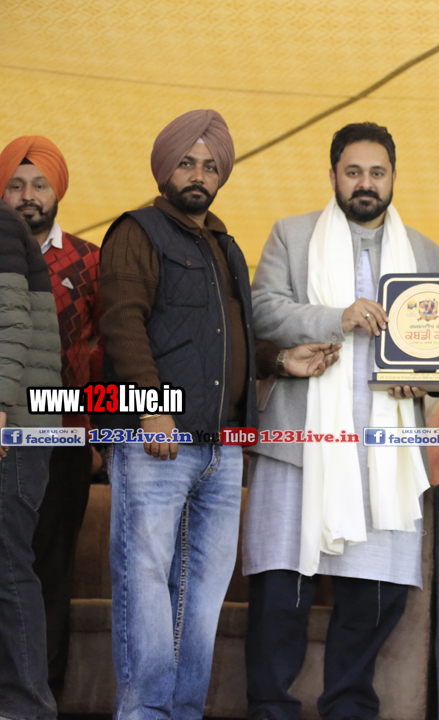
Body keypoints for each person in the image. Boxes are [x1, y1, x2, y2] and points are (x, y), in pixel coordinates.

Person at [98, 109, 332, 719]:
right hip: (157, 438)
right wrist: (149, 408)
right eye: (186, 163)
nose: (198, 175)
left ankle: (181, 713)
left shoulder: (225, 245)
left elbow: (227, 338)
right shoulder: (137, 231)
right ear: (165, 170)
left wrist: (280, 360)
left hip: (222, 447)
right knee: (146, 583)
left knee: (200, 597)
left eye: (209, 165)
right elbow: (122, 323)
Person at [245, 122, 439, 720]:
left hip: (386, 452)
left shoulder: (427, 254)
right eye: (353, 171)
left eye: (376, 172)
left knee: (374, 597)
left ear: (393, 177)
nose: (365, 183)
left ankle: (349, 709)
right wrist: (338, 316)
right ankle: (270, 710)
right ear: (333, 174)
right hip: (300, 446)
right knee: (282, 590)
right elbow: (262, 311)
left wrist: (424, 380)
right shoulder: (292, 234)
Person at [1, 135, 102, 701]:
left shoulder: (89, 259)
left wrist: (100, 439)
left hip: (66, 438)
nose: (28, 196)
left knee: (49, 568)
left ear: (57, 189)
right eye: (16, 185)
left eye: (39, 184)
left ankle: (45, 696)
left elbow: (105, 352)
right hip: (6, 432)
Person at [0, 202, 62, 720]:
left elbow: (12, 321)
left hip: (13, 427)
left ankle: (26, 707)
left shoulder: (1, 224)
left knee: (7, 564)